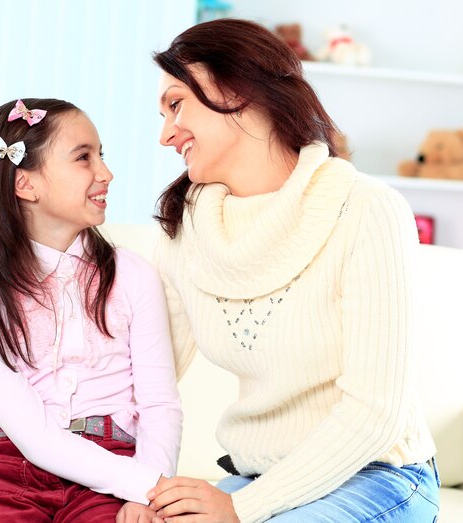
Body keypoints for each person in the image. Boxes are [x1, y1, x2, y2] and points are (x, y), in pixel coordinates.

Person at [145, 18, 440, 523]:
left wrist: (242, 509)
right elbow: (142, 378)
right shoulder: (184, 229)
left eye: (176, 104)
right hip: (258, 477)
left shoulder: (367, 209)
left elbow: (375, 413)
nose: (165, 134)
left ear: (237, 87)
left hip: (378, 476)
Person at [0, 98, 182, 522]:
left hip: (117, 461)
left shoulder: (133, 276)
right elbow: (33, 437)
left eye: (101, 155)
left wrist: (147, 494)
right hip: (11, 467)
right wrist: (147, 485)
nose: (106, 173)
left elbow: (160, 404)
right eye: (84, 158)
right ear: (26, 185)